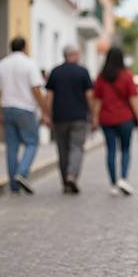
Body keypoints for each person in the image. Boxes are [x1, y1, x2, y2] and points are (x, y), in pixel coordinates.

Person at [0, 37, 49, 194]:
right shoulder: (29, 64)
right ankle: (22, 173)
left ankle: (14, 185)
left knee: (12, 147)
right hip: (26, 109)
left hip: (7, 108)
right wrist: (45, 111)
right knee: (32, 142)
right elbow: (36, 89)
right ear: (24, 47)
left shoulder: (1, 65)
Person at [93, 47, 138, 196]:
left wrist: (95, 118)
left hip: (106, 119)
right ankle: (123, 178)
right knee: (125, 149)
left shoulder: (101, 77)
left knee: (110, 150)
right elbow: (133, 99)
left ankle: (113, 184)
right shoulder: (127, 75)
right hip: (125, 119)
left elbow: (97, 100)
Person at [45, 45, 94, 194]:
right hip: (79, 117)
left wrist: (47, 115)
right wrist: (93, 114)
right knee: (76, 147)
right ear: (74, 55)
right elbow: (89, 95)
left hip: (59, 117)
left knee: (62, 149)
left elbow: (49, 96)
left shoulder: (55, 71)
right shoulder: (82, 71)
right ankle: (72, 175)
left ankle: (65, 181)